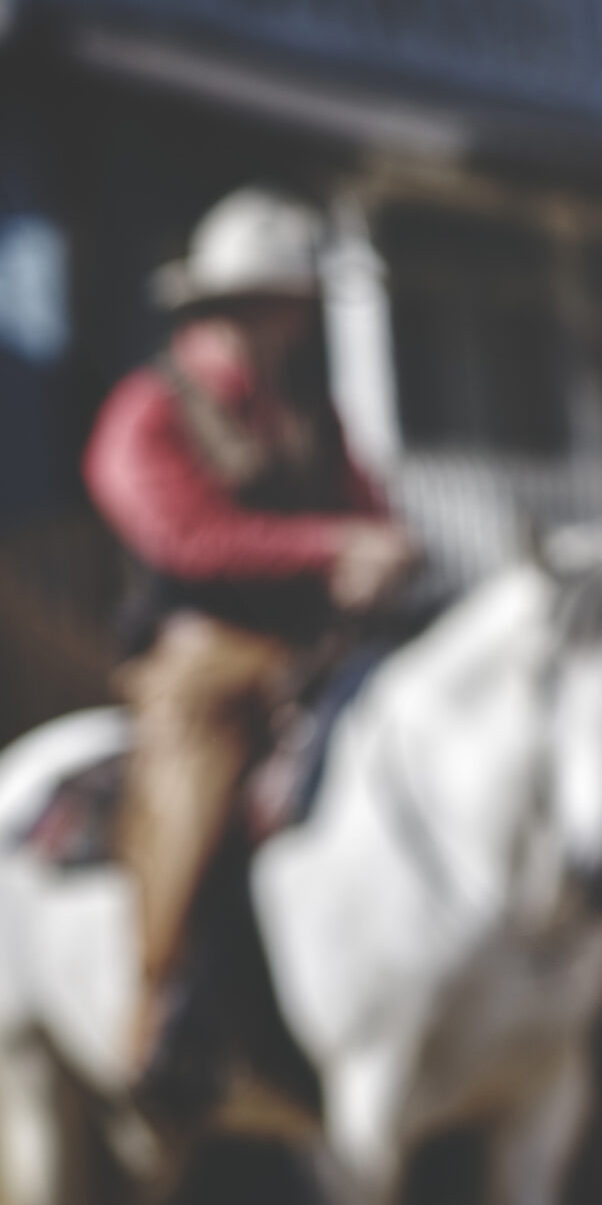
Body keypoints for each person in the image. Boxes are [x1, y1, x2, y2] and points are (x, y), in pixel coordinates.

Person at [84, 186, 415, 1121]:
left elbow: (364, 502)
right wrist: (331, 548)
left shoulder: (312, 405)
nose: (297, 316)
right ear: (232, 304)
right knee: (193, 788)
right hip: (206, 657)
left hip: (315, 645)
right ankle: (157, 1008)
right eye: (285, 296)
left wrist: (381, 551)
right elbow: (182, 537)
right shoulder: (148, 408)